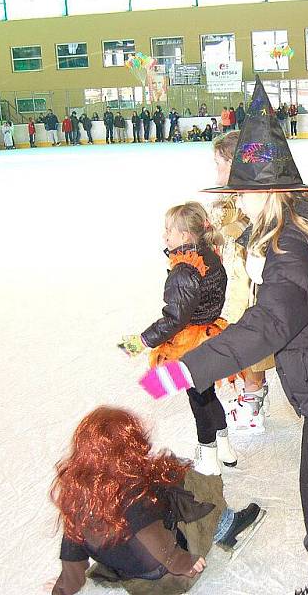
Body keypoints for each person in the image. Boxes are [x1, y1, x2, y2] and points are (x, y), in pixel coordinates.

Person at [139, 78, 308, 595]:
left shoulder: (293, 246)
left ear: (264, 191)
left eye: (241, 191)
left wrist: (185, 369)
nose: (236, 200)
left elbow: (268, 324)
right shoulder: (290, 232)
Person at [47, 406, 265, 595]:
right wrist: (181, 562)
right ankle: (226, 527)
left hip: (129, 574)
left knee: (167, 475)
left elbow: (72, 554)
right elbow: (153, 537)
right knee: (193, 481)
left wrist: (63, 588)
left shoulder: (76, 500)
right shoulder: (132, 494)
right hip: (166, 578)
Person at [118, 202, 236, 475]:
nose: (164, 236)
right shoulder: (209, 256)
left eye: (169, 231)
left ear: (185, 236)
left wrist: (141, 341)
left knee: (199, 400)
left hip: (191, 343)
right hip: (211, 334)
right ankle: (225, 446)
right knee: (208, 393)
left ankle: (208, 458)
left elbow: (175, 318)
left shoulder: (184, 271)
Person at [209, 130, 273, 434]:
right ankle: (254, 391)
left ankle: (252, 399)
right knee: (241, 340)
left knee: (248, 342)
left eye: (220, 164)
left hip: (248, 287)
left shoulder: (247, 201)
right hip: (236, 282)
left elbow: (248, 237)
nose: (216, 171)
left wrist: (223, 222)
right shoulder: (230, 199)